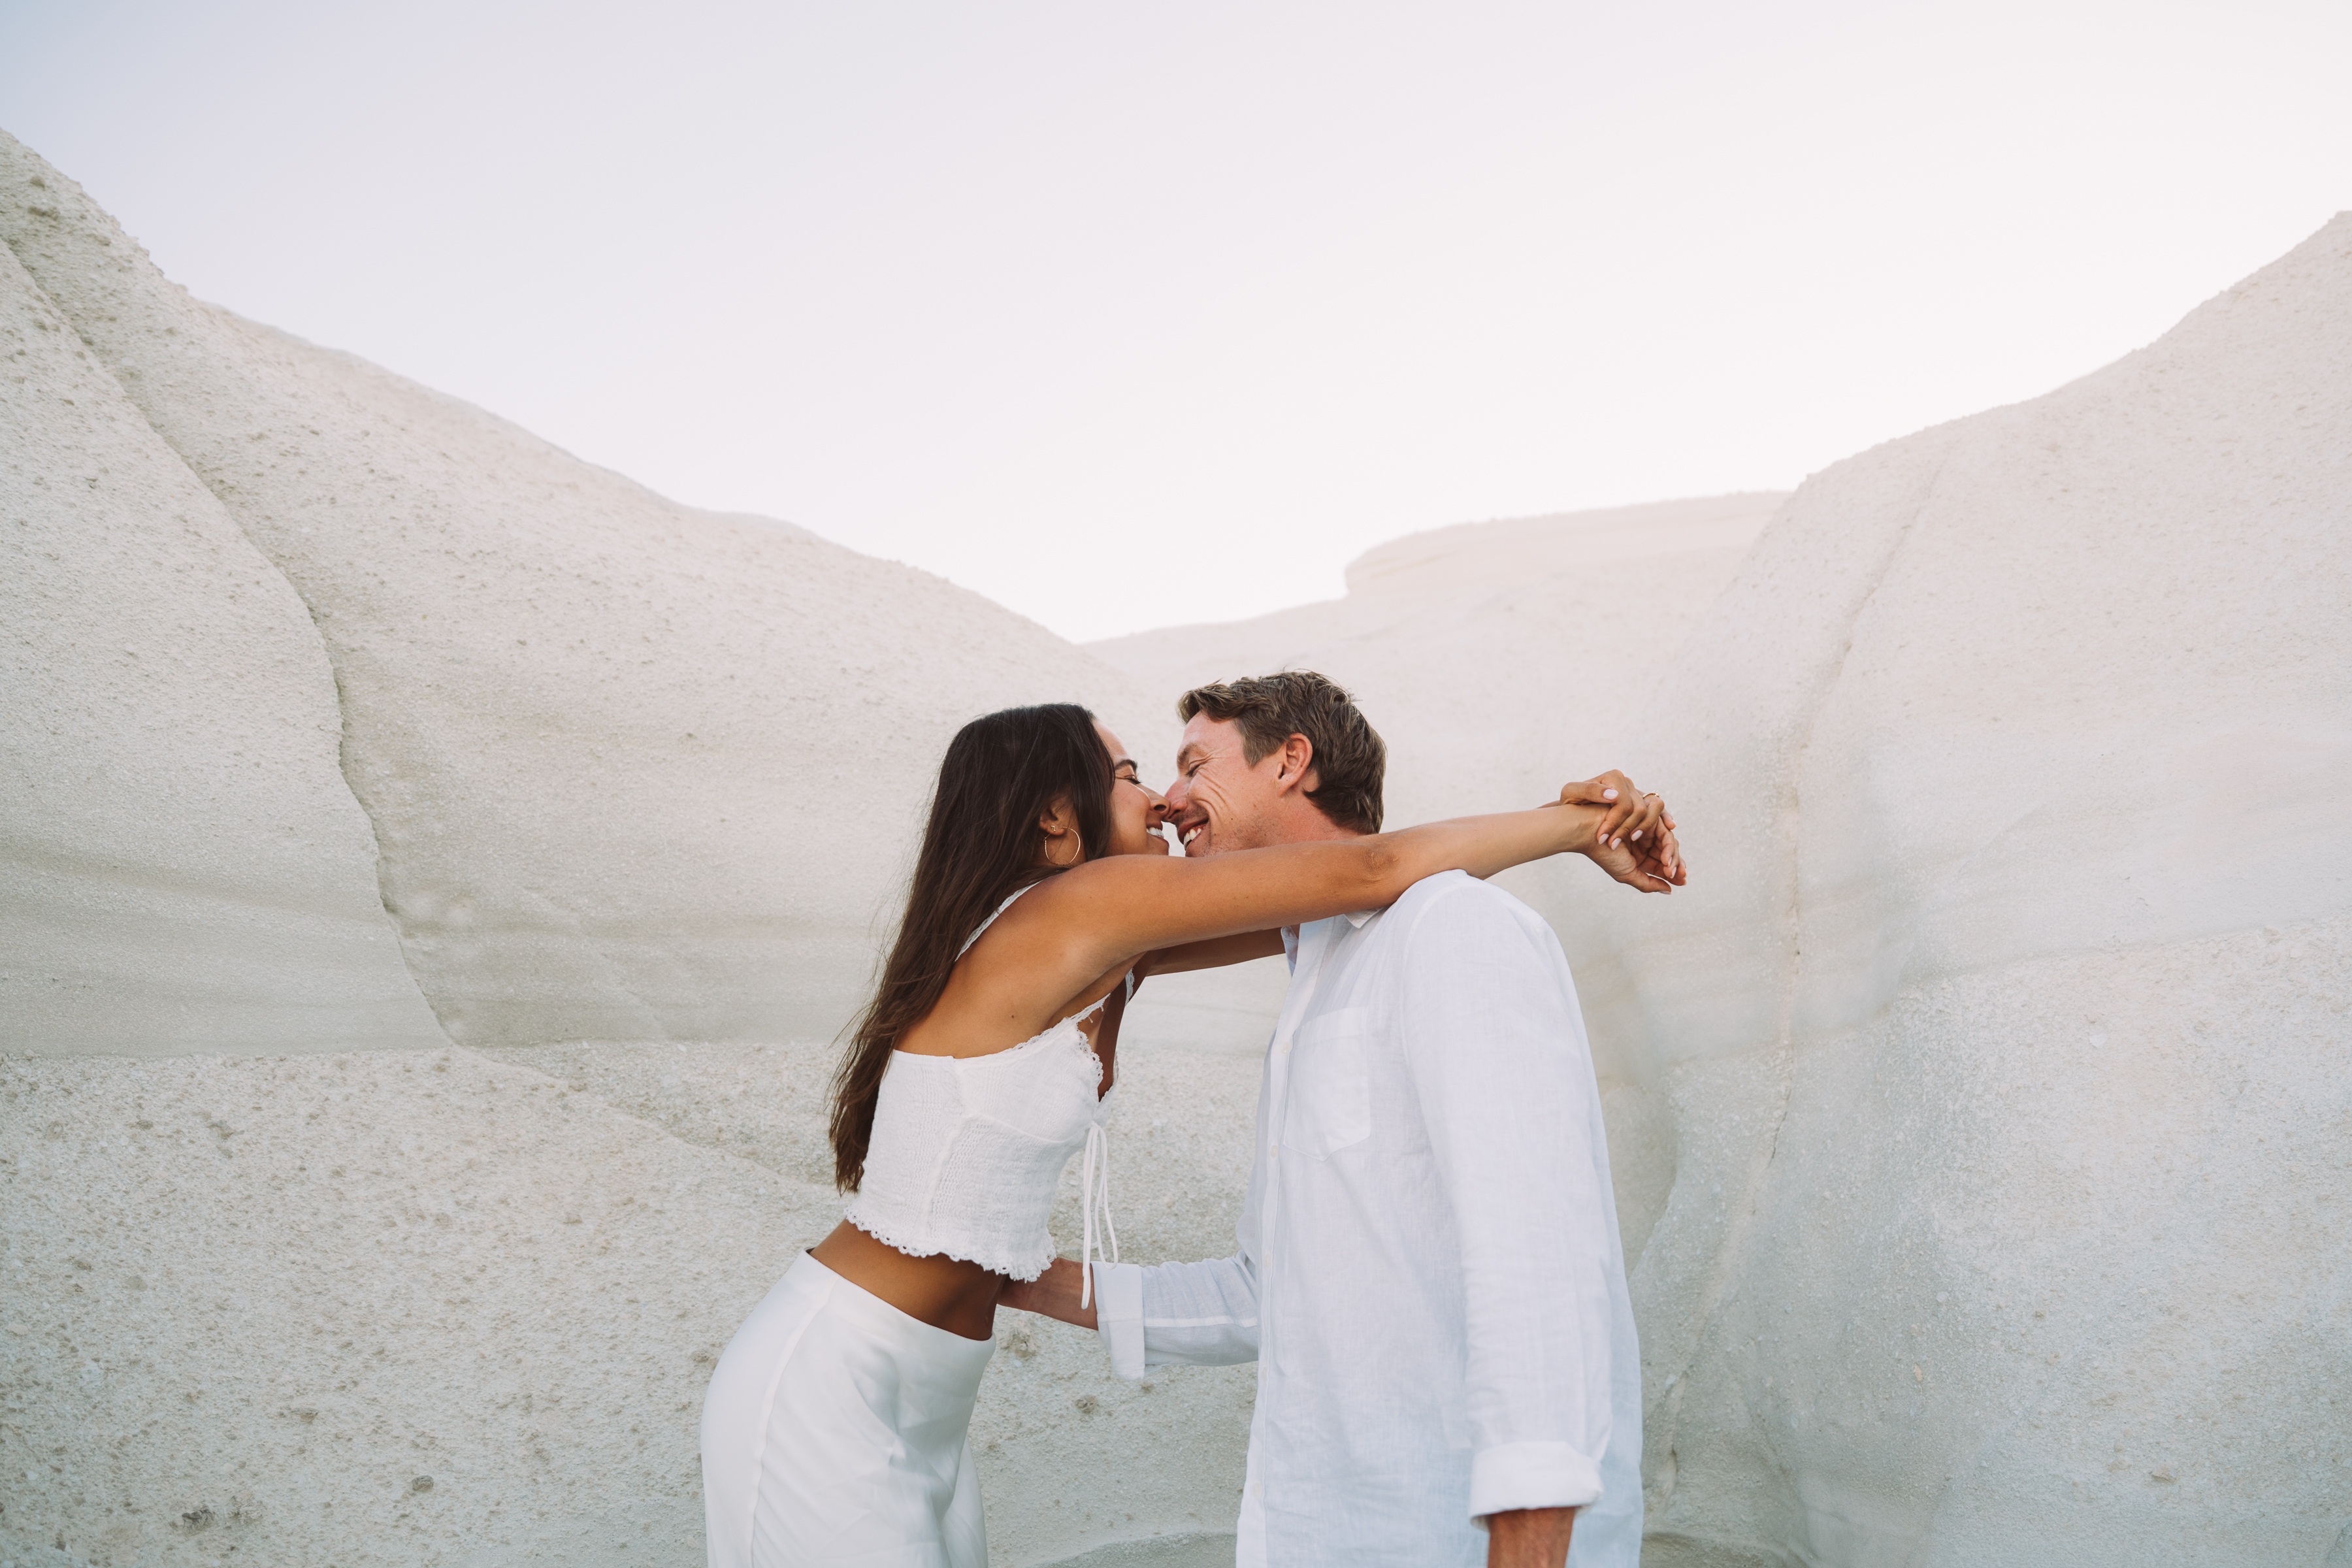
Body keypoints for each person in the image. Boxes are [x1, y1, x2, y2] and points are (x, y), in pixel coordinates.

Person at [700, 697, 1679, 1567]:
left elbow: (1346, 896)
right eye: (1130, 775)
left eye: (1174, 773)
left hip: (932, 1393)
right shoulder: (1078, 906)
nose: (1161, 800)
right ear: (1054, 814)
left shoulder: (1107, 943)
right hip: (830, 1378)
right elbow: (1368, 870)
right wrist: (1578, 826)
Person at [1000, 674, 1652, 1568]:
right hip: (1329, 1530)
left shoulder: (1453, 928)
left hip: (1456, 1535)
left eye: (1195, 764)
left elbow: (1536, 1249)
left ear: (1292, 761)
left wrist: (1528, 1543)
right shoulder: (1313, 979)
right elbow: (1266, 1294)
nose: (1173, 799)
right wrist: (1015, 1278)